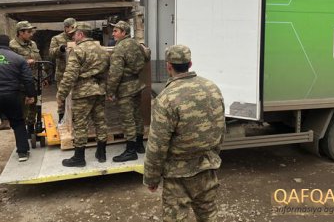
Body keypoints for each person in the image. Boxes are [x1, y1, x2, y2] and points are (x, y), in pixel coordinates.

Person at [143, 45, 225, 222]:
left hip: (177, 176)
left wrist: (151, 178)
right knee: (209, 215)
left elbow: (157, 145)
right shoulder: (212, 88)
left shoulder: (166, 98)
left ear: (168, 66)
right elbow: (220, 128)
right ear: (190, 63)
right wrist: (211, 155)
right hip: (206, 168)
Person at [56, 22, 109, 167]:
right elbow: (107, 72)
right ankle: (102, 153)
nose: (73, 37)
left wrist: (61, 95)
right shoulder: (102, 49)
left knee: (80, 124)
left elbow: (70, 75)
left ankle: (79, 158)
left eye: (74, 34)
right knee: (100, 121)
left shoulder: (78, 50)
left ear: (80, 34)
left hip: (83, 92)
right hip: (99, 89)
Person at [0, 34, 35, 162]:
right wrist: (30, 95)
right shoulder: (18, 58)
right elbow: (28, 79)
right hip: (12, 96)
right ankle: (23, 152)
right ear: (9, 44)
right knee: (18, 123)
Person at [106, 21, 148, 162]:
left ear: (124, 32)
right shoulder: (136, 43)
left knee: (128, 118)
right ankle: (139, 146)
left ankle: (130, 151)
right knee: (137, 115)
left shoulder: (120, 48)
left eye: (116, 31)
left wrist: (110, 91)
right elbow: (147, 56)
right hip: (136, 85)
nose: (113, 33)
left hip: (125, 88)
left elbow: (115, 72)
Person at [9, 21, 41, 134]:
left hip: (34, 80)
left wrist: (44, 76)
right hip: (20, 83)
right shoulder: (12, 46)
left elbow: (39, 61)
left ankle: (31, 131)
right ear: (20, 33)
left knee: (34, 106)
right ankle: (21, 135)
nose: (31, 34)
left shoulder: (33, 44)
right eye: (28, 31)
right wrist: (24, 62)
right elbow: (9, 65)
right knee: (22, 109)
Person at [49, 17, 76, 122]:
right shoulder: (57, 38)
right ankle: (61, 118)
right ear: (66, 28)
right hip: (62, 73)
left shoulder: (78, 36)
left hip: (76, 73)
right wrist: (60, 49)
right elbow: (51, 53)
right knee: (62, 98)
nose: (73, 29)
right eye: (71, 27)